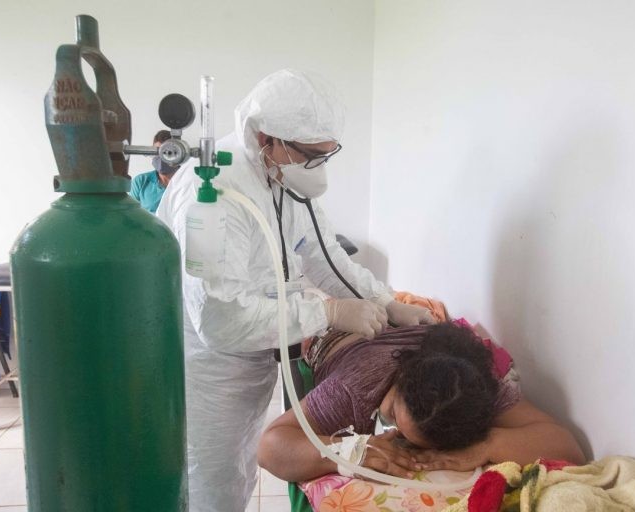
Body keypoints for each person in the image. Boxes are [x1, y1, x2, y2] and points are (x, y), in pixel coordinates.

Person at [156, 69, 436, 511]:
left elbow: (326, 257)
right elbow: (219, 321)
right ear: (267, 138)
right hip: (204, 369)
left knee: (238, 468)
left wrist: (385, 301)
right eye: (311, 155)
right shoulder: (211, 193)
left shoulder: (282, 179)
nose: (317, 169)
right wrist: (327, 314)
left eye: (326, 156)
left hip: (253, 356)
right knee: (209, 481)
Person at [258, 321, 587, 483]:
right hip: (333, 337)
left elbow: (567, 448)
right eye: (391, 418)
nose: (393, 435)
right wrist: (348, 451)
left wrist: (489, 444)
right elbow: (270, 446)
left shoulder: (470, 388)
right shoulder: (357, 386)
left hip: (398, 332)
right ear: (399, 379)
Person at [129, 129, 177, 213]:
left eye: (167, 153)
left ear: (177, 155)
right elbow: (131, 215)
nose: (161, 158)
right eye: (157, 152)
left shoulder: (187, 182)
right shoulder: (141, 181)